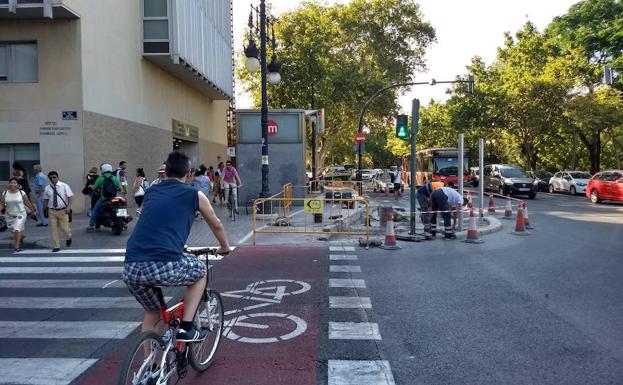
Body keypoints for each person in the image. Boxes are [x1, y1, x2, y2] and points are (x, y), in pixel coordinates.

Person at [122, 151, 231, 341]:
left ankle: (151, 367)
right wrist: (224, 248)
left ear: (166, 171)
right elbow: (216, 224)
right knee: (201, 272)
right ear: (189, 173)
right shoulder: (193, 194)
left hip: (131, 266)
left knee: (152, 313)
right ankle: (187, 327)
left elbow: (156, 221)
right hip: (163, 263)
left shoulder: (152, 191)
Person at [0, 177, 37, 252]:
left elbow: (27, 203)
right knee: (13, 230)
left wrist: (33, 211)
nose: (12, 184)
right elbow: (2, 203)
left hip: (20, 214)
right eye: (11, 182)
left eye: (14, 183)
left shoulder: (21, 193)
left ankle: (17, 246)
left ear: (18, 185)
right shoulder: (5, 193)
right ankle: (21, 236)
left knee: (17, 228)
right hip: (9, 215)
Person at [43, 171, 73, 252]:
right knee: (53, 229)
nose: (52, 179)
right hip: (51, 211)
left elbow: (70, 196)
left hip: (63, 210)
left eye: (54, 177)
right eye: (51, 178)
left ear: (57, 177)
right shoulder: (47, 188)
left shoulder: (64, 186)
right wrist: (45, 209)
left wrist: (69, 207)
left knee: (65, 229)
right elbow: (45, 199)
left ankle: (68, 237)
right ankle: (56, 246)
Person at [87, 163, 121, 232]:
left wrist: (90, 186)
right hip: (114, 197)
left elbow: (94, 187)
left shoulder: (101, 178)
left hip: (104, 198)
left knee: (95, 210)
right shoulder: (114, 178)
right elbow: (120, 188)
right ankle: (123, 223)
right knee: (120, 207)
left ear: (103, 170)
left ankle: (91, 226)